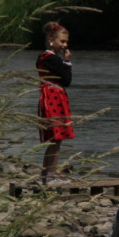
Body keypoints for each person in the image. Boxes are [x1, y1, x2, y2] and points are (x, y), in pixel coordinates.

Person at [37, 21, 74, 186]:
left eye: (66, 42)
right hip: (54, 98)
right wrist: (67, 62)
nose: (65, 45)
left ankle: (46, 174)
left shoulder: (43, 57)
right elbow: (67, 80)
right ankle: (51, 176)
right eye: (62, 41)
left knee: (54, 139)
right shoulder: (52, 59)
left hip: (49, 97)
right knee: (57, 139)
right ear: (51, 40)